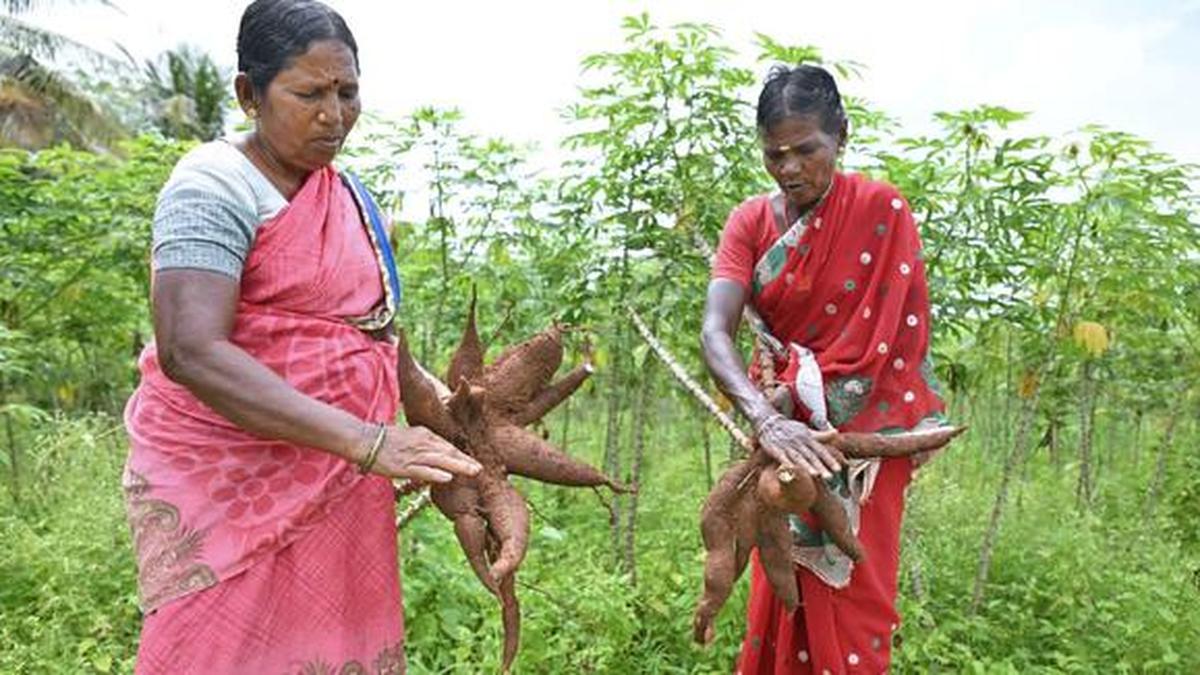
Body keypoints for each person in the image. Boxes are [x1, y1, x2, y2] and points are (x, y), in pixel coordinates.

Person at [122, 1, 481, 672]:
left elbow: (372, 333)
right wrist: (369, 441)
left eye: (348, 92)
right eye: (309, 93)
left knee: (325, 643)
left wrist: (445, 409)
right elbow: (190, 349)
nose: (334, 114)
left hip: (338, 478)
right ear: (248, 94)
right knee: (214, 648)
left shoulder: (351, 198)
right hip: (228, 489)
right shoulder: (212, 184)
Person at [700, 64, 948, 674]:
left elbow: (897, 343)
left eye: (806, 149)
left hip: (859, 453)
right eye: (774, 153)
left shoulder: (880, 209)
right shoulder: (750, 224)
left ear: (841, 135)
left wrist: (815, 408)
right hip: (781, 444)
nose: (789, 168)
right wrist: (766, 417)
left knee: (856, 592)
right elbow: (715, 329)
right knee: (781, 585)